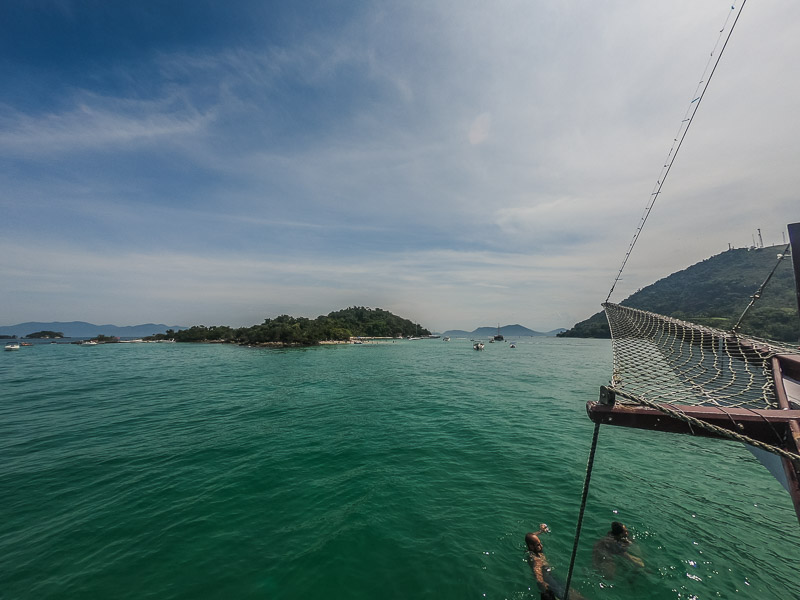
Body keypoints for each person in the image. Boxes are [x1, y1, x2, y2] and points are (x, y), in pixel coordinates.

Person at [525, 525, 588, 600]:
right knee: (567, 596)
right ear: (532, 547)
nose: (541, 546)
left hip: (551, 576)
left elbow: (531, 536)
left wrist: (540, 531)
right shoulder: (536, 559)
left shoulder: (532, 547)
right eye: (538, 545)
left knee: (571, 591)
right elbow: (537, 572)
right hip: (548, 581)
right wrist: (543, 584)